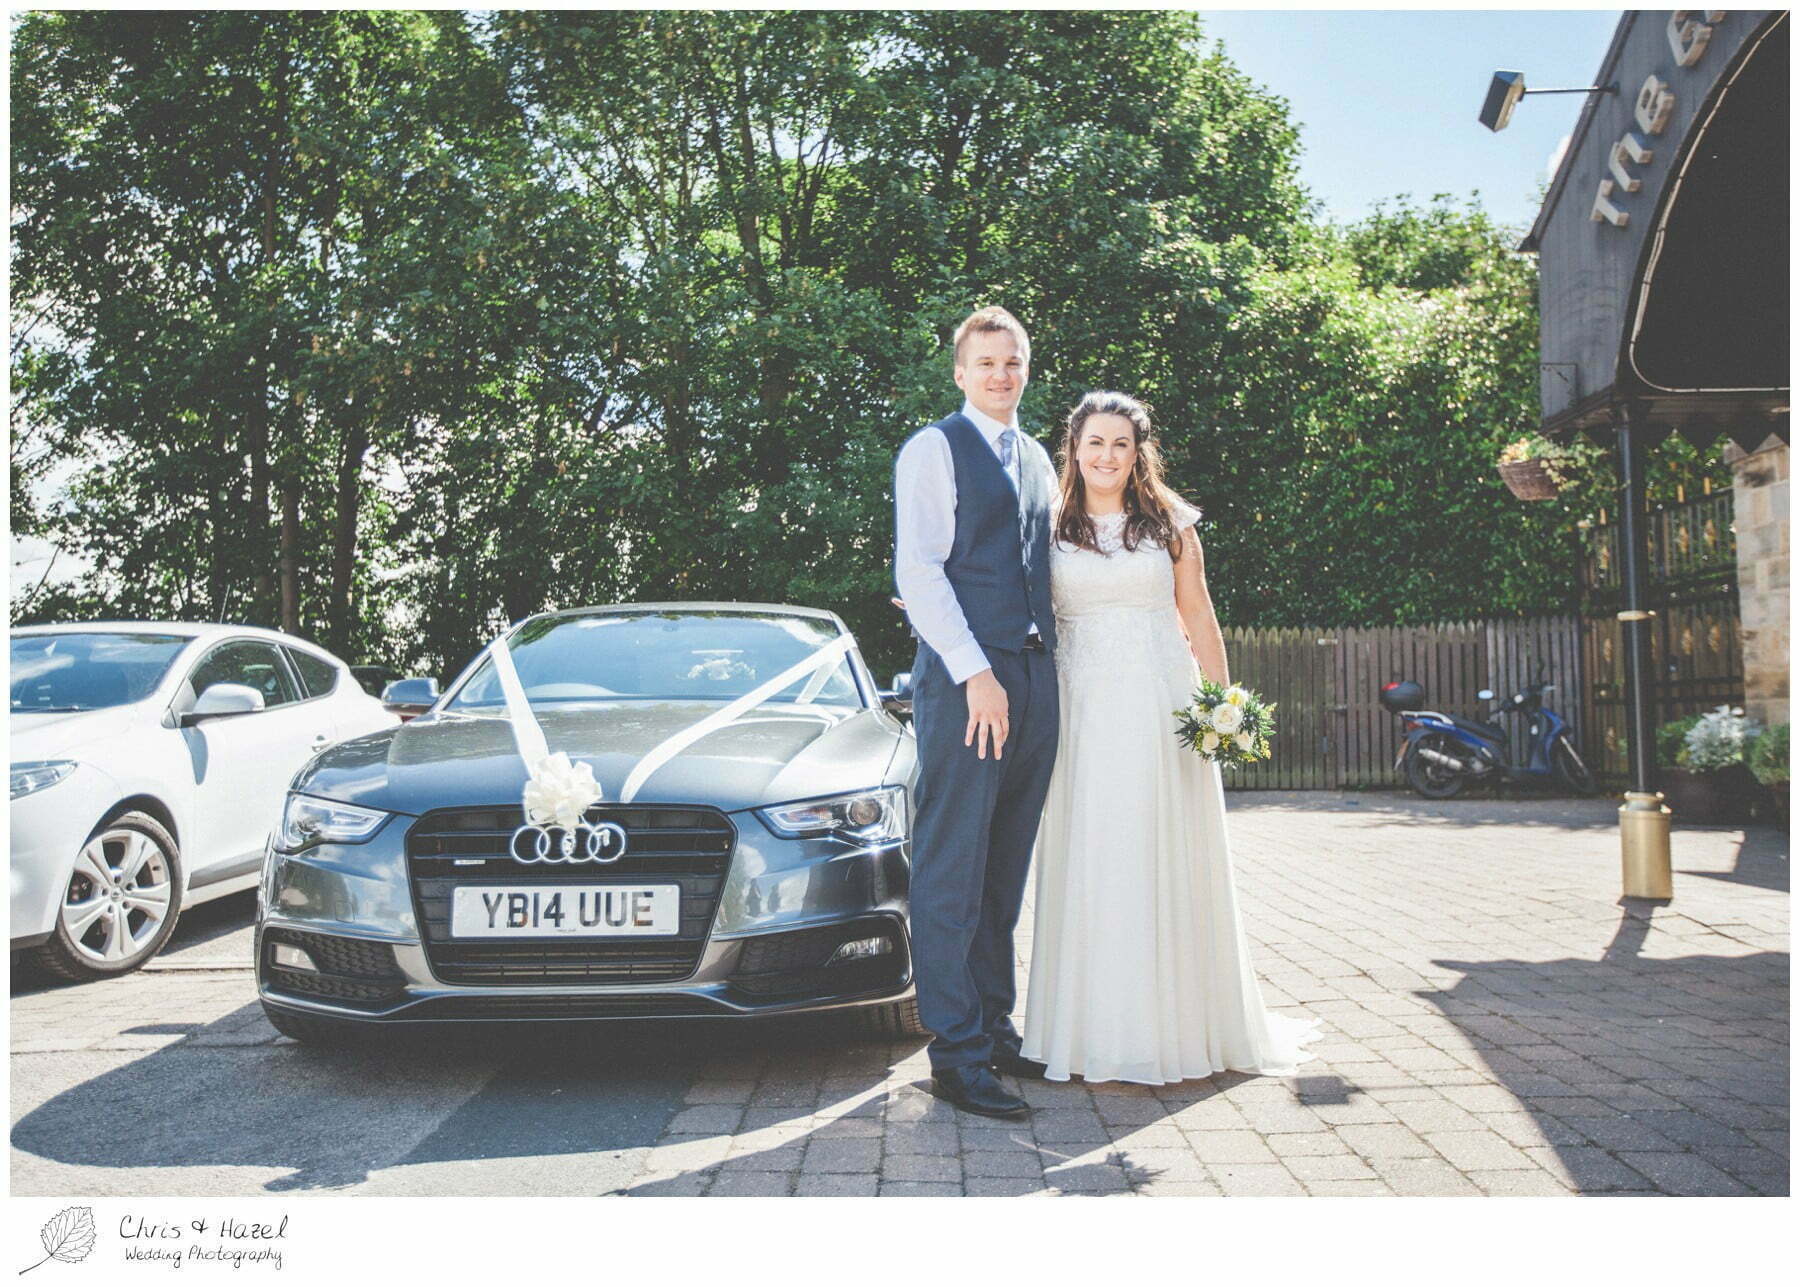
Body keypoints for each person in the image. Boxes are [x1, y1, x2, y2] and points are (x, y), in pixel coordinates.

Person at [1021, 390, 1320, 1085]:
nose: (1106, 455)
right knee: (1095, 854)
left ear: (1138, 453)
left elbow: (1200, 617)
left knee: (1163, 850)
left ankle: (1183, 1027)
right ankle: (1089, 1029)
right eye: (1094, 442)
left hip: (1161, 706)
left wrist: (1224, 706)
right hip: (1084, 708)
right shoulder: (1047, 527)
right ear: (1074, 448)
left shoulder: (1172, 526)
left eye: (1120, 444)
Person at [892, 306, 1060, 1119]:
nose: (1000, 374)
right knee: (953, 864)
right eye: (985, 361)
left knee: (1004, 866)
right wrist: (975, 674)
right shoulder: (934, 448)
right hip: (971, 686)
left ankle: (993, 1027)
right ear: (959, 371)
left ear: (1027, 369)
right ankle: (954, 1053)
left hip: (1034, 680)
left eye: (1013, 361)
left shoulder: (1036, 459)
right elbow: (919, 572)